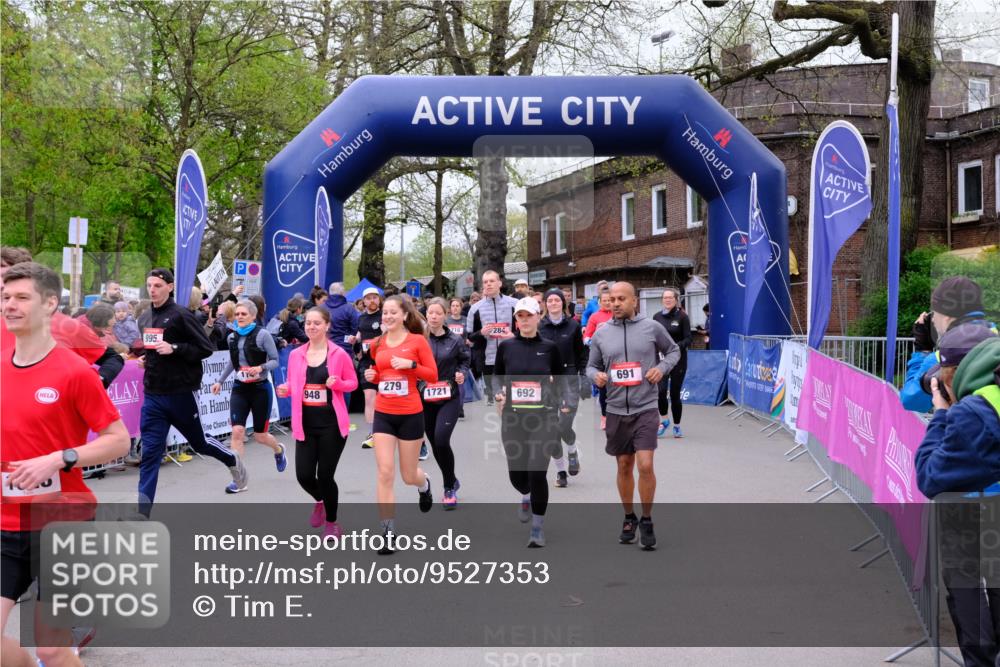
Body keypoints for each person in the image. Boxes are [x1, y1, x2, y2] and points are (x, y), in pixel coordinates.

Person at [1, 262, 129, 667]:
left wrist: (59, 457)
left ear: (50, 304)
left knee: (53, 647)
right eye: (5, 297)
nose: (10, 305)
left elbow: (118, 440)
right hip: (6, 522)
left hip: (64, 522)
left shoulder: (73, 372)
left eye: (22, 297)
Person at [914, 324, 1000, 667]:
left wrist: (941, 415)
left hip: (966, 507)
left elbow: (930, 475)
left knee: (966, 586)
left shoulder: (973, 413)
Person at [136, 268, 246, 514]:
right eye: (149, 285)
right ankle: (142, 514)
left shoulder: (181, 315)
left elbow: (205, 348)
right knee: (150, 455)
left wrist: (174, 347)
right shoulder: (144, 318)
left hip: (181, 393)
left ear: (170, 287)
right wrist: (146, 359)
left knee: (200, 443)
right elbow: (153, 349)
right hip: (153, 394)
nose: (152, 290)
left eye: (157, 286)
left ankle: (232, 459)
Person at [586, 282, 680, 550]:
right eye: (611, 299)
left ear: (634, 301)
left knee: (645, 465)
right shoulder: (602, 333)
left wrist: (661, 368)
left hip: (645, 407)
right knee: (624, 466)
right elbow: (590, 366)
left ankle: (647, 520)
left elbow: (674, 351)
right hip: (616, 409)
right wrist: (597, 376)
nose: (614, 303)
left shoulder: (652, 327)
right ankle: (629, 518)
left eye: (620, 299)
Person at [363, 295, 437, 554]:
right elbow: (379, 372)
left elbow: (433, 375)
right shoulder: (378, 343)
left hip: (410, 414)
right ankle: (387, 531)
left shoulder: (417, 342)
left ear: (405, 315)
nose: (387, 317)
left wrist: (412, 365)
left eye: (393, 312)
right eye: (385, 313)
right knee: (385, 472)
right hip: (384, 414)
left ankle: (424, 484)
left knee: (408, 475)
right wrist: (372, 375)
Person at [277, 307, 357, 539]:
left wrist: (338, 383)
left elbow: (352, 383)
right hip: (305, 424)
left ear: (327, 325)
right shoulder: (296, 354)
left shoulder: (338, 354)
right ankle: (320, 500)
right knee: (303, 475)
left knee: (325, 475)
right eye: (308, 323)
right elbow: (293, 384)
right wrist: (285, 390)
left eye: (316, 323)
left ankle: (332, 523)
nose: (311, 327)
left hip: (332, 424)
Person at [494, 297, 567, 547]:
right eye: (519, 316)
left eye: (528, 315)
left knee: (537, 471)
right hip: (513, 418)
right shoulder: (506, 347)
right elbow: (496, 377)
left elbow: (561, 378)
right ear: (515, 320)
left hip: (543, 417)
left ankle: (537, 527)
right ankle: (525, 495)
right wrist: (498, 394)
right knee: (517, 475)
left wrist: (561, 402)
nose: (524, 320)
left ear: (538, 316)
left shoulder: (550, 347)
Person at [211, 299, 286, 487]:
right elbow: (232, 361)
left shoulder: (263, 335)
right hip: (240, 388)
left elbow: (275, 360)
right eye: (237, 314)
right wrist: (220, 381)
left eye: (243, 314)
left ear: (253, 316)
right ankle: (238, 477)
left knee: (260, 436)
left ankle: (278, 450)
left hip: (260, 389)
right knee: (237, 432)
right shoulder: (231, 337)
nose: (239, 317)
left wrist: (260, 368)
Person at [902, 277, 996, 412]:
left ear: (946, 316)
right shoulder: (994, 337)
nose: (932, 319)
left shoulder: (944, 357)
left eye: (934, 312)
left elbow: (911, 401)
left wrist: (922, 350)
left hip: (960, 428)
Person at [423, 297, 471, 509]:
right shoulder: (419, 339)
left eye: (438, 313)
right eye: (430, 313)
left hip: (448, 397)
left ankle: (448, 487)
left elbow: (464, 360)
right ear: (426, 315)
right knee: (435, 444)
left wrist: (461, 373)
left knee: (442, 441)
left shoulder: (455, 339)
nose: (434, 316)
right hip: (425, 398)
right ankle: (452, 479)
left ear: (445, 316)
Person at [539, 288, 587, 488]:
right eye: (549, 300)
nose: (553, 303)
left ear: (563, 303)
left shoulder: (573, 326)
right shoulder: (540, 326)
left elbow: (582, 354)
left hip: (568, 378)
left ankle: (572, 450)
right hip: (546, 381)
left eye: (556, 300)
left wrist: (583, 377)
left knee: (563, 426)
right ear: (545, 304)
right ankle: (561, 472)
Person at [467, 270, 517, 405]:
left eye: (492, 281)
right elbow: (469, 337)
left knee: (510, 397)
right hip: (487, 360)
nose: (488, 284)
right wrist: (481, 333)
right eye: (485, 282)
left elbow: (525, 330)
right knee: (498, 397)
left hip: (511, 357)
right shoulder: (475, 309)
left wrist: (513, 335)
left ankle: (510, 423)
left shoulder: (514, 304)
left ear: (499, 283)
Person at [652, 288, 692, 438]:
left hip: (678, 360)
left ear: (676, 300)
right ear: (662, 300)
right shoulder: (656, 317)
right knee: (660, 392)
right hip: (661, 361)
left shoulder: (682, 317)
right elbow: (652, 337)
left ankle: (676, 426)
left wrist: (674, 348)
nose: (667, 300)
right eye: (665, 298)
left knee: (675, 394)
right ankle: (664, 421)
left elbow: (689, 338)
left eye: (670, 298)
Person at [356, 287, 383, 449]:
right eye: (368, 298)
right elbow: (360, 335)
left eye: (374, 297)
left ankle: (388, 430)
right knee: (369, 397)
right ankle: (373, 433)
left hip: (384, 362)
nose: (372, 300)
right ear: (363, 302)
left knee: (385, 397)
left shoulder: (385, 316)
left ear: (379, 300)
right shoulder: (361, 318)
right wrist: (356, 340)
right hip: (367, 362)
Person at [584, 290, 614, 428]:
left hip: (617, 356)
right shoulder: (595, 317)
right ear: (599, 302)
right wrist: (592, 343)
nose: (608, 303)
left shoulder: (618, 314)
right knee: (604, 389)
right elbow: (586, 337)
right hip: (601, 357)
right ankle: (604, 416)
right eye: (605, 300)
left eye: (610, 300)